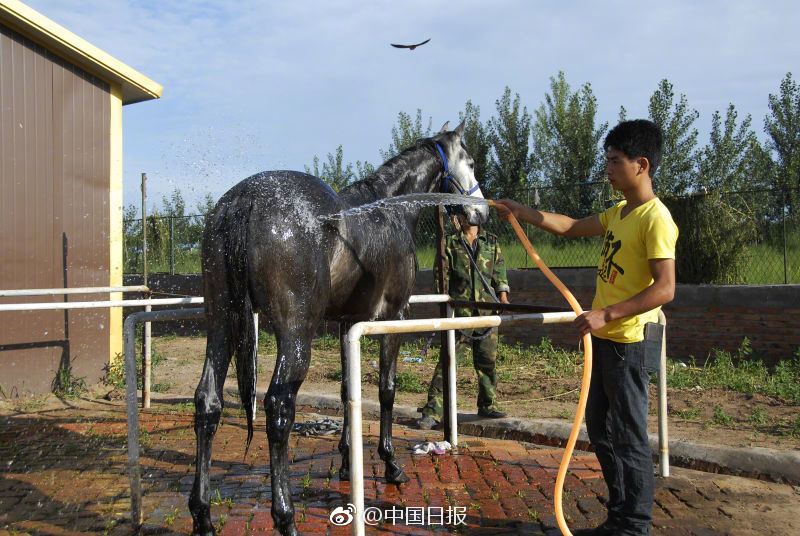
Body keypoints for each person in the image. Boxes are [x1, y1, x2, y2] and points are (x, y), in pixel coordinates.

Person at [493, 119, 678, 536]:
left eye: (615, 161)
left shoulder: (655, 219)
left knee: (628, 437)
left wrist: (606, 314)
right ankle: (619, 517)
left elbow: (665, 289)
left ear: (641, 165)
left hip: (629, 341)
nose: (608, 169)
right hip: (607, 342)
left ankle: (634, 526)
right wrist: (520, 211)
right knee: (601, 429)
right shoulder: (620, 213)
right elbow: (572, 226)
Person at [417, 211, 511, 430]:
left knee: (487, 361)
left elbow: (500, 274)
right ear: (460, 216)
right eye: (466, 213)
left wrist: (503, 298)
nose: (471, 216)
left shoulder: (492, 242)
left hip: (487, 314)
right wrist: (446, 302)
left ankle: (488, 405)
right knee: (448, 363)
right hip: (460, 314)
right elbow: (441, 277)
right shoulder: (449, 243)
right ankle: (433, 411)